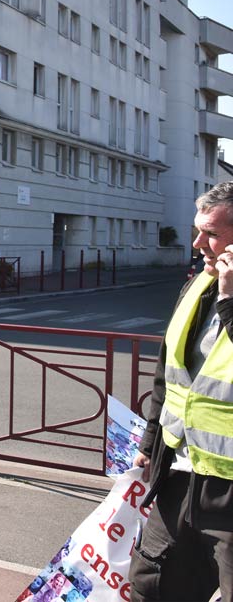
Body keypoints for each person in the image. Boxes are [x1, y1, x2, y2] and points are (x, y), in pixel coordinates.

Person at [129, 182, 233, 601]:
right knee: (152, 586)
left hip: (230, 493)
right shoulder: (196, 286)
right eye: (196, 230)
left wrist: (230, 301)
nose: (197, 243)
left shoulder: (223, 292)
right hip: (181, 475)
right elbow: (167, 372)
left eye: (211, 233)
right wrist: (152, 441)